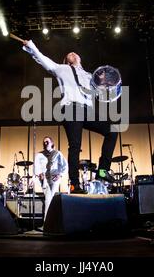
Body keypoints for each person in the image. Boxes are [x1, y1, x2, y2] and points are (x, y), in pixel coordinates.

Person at [22, 40, 118, 193]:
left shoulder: (89, 76)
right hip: (70, 108)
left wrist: (106, 81)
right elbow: (41, 58)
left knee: (112, 130)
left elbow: (103, 91)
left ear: (79, 58)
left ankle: (102, 170)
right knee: (75, 146)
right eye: (69, 55)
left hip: (87, 110)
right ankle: (75, 184)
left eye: (75, 53)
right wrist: (31, 47)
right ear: (66, 60)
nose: (72, 53)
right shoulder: (60, 69)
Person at [33, 136, 68, 221]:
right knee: (49, 198)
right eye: (44, 142)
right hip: (44, 179)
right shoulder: (39, 155)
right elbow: (36, 168)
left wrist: (60, 175)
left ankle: (47, 223)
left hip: (54, 178)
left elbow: (65, 166)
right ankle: (52, 222)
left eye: (47, 142)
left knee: (49, 198)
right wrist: (39, 174)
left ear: (52, 143)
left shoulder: (57, 153)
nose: (45, 143)